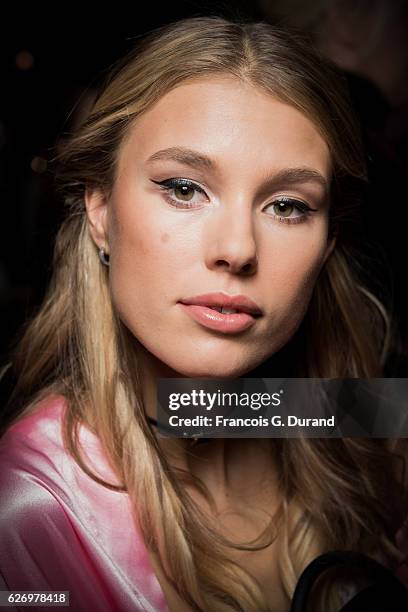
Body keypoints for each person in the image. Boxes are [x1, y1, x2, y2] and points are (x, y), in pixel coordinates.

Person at [0, 15, 407, 612]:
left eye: (287, 205)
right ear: (101, 209)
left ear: (328, 244)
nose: (238, 249)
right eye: (185, 188)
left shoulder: (341, 413)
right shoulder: (30, 505)